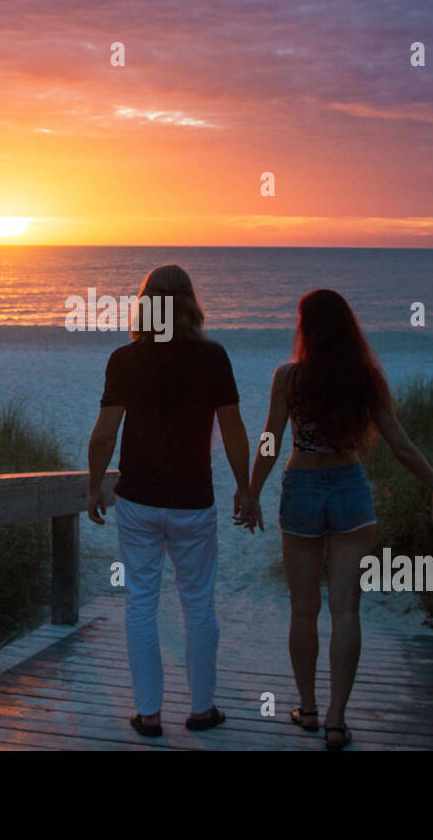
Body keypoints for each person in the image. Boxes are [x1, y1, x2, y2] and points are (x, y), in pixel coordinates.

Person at [241, 289, 433, 750]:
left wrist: (252, 493)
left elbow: (271, 439)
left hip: (303, 487)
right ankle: (336, 721)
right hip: (350, 487)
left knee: (303, 609)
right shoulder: (366, 378)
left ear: (306, 327)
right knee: (346, 609)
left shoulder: (289, 377)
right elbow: (402, 446)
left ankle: (308, 709)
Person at [85, 265, 254, 739]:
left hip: (138, 500)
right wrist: (245, 489)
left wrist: (94, 485)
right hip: (193, 502)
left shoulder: (125, 359)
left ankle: (148, 714)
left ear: (145, 304)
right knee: (198, 604)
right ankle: (202, 710)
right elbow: (234, 431)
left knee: (141, 602)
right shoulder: (213, 357)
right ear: (191, 304)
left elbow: (104, 432)